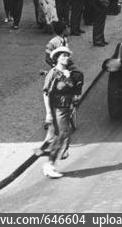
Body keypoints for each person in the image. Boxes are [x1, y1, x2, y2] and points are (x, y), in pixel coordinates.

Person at [40, 45, 80, 178]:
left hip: (66, 108)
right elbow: (46, 93)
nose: (66, 58)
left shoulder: (67, 73)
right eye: (63, 55)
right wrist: (48, 113)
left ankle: (44, 158)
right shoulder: (53, 73)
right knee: (61, 135)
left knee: (54, 137)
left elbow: (72, 90)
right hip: (56, 108)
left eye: (67, 55)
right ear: (57, 58)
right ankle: (49, 164)